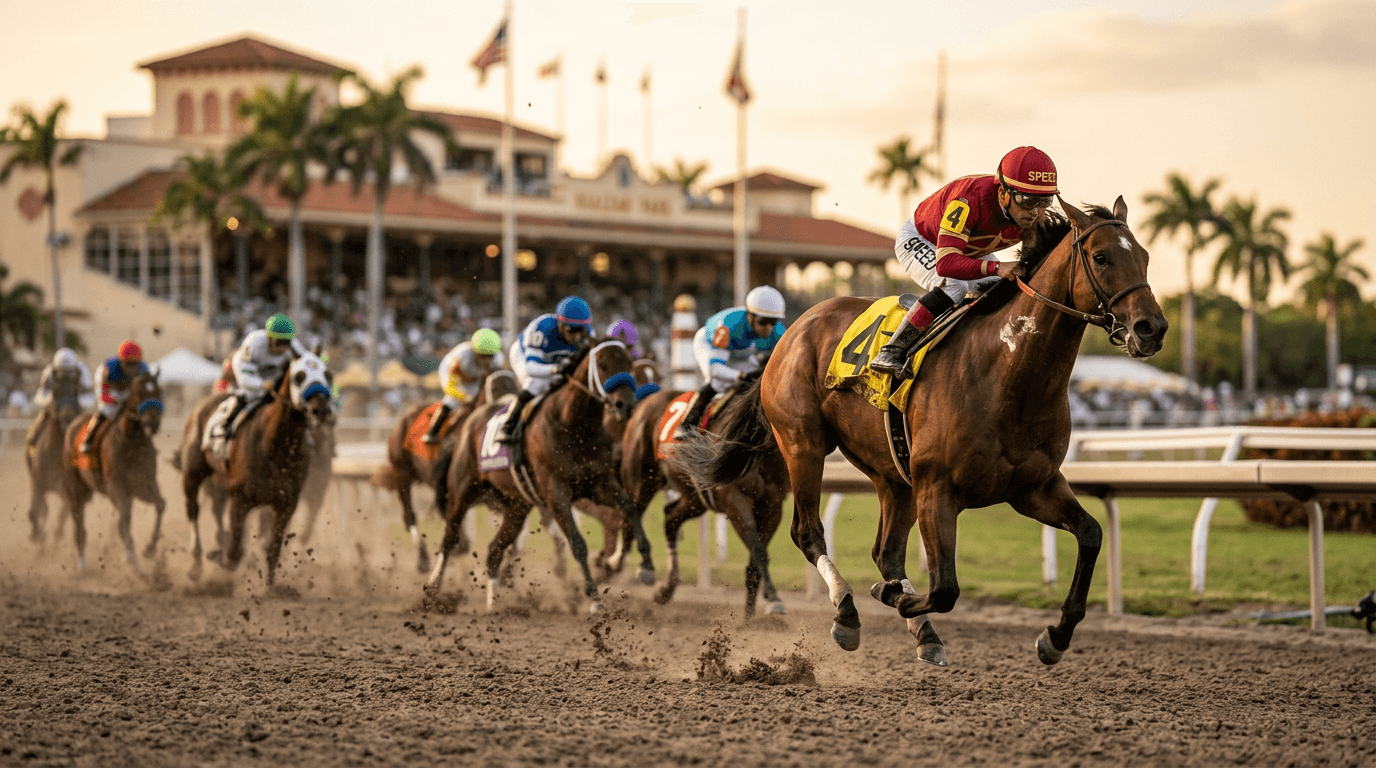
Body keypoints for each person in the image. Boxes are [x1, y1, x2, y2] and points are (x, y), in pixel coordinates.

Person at [870, 146, 1059, 375]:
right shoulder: (969, 200)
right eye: (1027, 200)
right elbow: (946, 264)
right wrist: (997, 267)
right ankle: (891, 350)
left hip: (970, 250)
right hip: (925, 240)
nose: (1036, 212)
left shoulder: (1034, 216)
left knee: (1003, 290)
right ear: (1003, 193)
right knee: (953, 286)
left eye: (1044, 201)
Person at [678, 285, 787, 436]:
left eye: (773, 322)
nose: (768, 328)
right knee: (719, 383)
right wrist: (738, 376)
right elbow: (715, 370)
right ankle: (687, 424)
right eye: (763, 322)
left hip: (741, 350)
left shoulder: (779, 332)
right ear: (750, 315)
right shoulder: (728, 326)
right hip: (711, 346)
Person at [497, 296, 592, 444]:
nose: (577, 336)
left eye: (581, 330)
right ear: (560, 324)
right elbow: (530, 368)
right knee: (536, 384)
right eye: (572, 330)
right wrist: (555, 369)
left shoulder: (588, 334)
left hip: (555, 359)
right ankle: (507, 425)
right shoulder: (542, 328)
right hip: (524, 356)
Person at [219, 314, 309, 442]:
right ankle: (226, 429)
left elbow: (305, 365)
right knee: (245, 397)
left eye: (286, 343)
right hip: (250, 380)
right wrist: (261, 384)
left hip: (274, 380)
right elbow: (244, 377)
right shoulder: (254, 343)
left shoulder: (294, 346)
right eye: (279, 342)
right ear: (268, 337)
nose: (283, 348)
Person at [422, 328, 506, 444]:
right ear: (474, 352)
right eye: (482, 356)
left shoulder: (498, 360)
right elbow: (450, 388)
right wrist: (466, 398)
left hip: (474, 379)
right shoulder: (461, 358)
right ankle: (432, 432)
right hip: (454, 376)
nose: (487, 361)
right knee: (451, 402)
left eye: (490, 356)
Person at [80, 341, 149, 454]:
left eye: (135, 364)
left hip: (129, 390)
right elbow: (103, 396)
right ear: (121, 361)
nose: (132, 369)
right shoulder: (109, 368)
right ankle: (89, 439)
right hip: (112, 390)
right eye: (128, 364)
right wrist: (116, 401)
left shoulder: (144, 369)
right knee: (106, 411)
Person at [27, 348, 93, 451]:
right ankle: (34, 437)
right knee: (42, 417)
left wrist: (81, 403)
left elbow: (89, 393)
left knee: (89, 423)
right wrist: (49, 401)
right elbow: (41, 393)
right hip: (54, 404)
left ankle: (89, 441)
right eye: (61, 371)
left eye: (68, 372)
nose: (64, 375)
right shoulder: (49, 371)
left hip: (76, 404)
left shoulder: (82, 370)